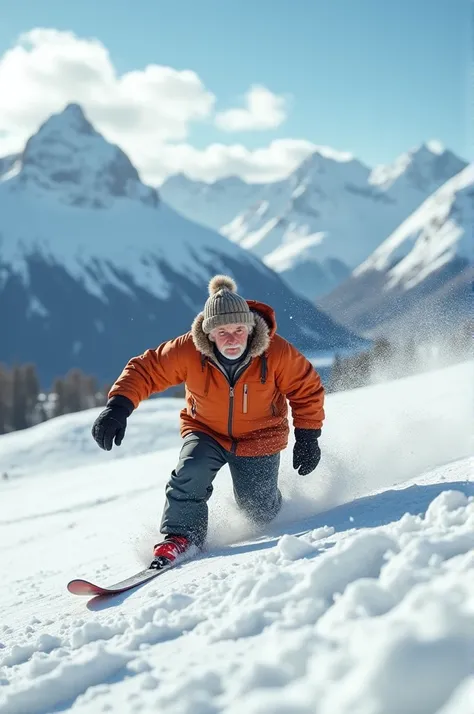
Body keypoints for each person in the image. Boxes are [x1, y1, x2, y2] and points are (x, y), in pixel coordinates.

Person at [91, 275, 325, 565]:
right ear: (209, 332)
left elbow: (307, 388)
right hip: (206, 431)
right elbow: (146, 370)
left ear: (250, 328)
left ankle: (279, 508)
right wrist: (118, 407)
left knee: (259, 510)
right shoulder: (189, 350)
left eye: (239, 329)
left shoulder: (275, 352)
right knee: (191, 471)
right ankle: (181, 537)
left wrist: (308, 435)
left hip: (261, 435)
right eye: (222, 331)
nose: (232, 338)